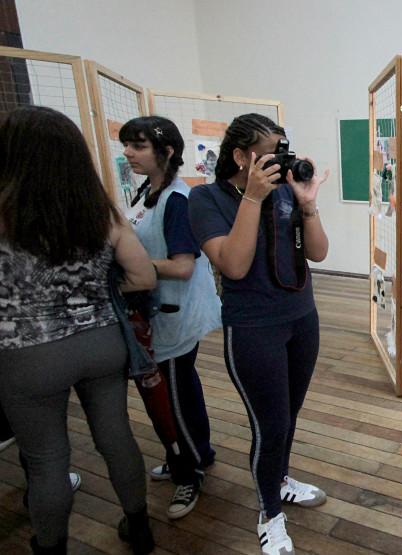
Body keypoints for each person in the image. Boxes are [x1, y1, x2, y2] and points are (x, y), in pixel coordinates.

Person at [0, 106, 156, 554]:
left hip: (28, 354)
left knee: (47, 461)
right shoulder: (99, 212)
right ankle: (140, 527)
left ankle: (50, 547)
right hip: (102, 342)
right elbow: (143, 278)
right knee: (116, 436)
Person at [188, 113, 330, 555]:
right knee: (270, 426)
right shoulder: (205, 199)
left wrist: (307, 204)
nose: (280, 161)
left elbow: (320, 253)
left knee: (288, 417)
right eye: (271, 152)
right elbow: (232, 264)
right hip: (252, 328)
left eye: (283, 150)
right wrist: (252, 197)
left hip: (301, 319)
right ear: (239, 156)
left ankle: (281, 479)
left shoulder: (288, 191)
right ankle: (269, 513)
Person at [120, 116, 222, 520]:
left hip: (174, 316)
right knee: (181, 390)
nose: (128, 153)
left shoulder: (177, 200)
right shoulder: (150, 193)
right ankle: (197, 454)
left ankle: (189, 472)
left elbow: (182, 266)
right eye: (127, 144)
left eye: (139, 146)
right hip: (162, 315)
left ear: (166, 153)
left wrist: (130, 263)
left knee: (175, 397)